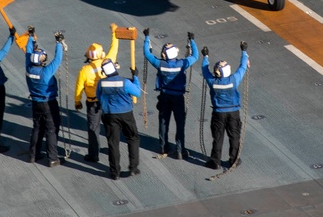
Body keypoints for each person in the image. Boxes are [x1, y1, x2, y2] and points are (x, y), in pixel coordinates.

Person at [142, 28, 198, 158]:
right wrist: (192, 41)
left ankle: (163, 147)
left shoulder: (160, 64)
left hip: (165, 96)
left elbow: (147, 53)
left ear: (164, 55)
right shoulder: (182, 63)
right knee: (180, 123)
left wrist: (146, 38)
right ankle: (179, 150)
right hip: (178, 98)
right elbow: (195, 56)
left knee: (163, 121)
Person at [73, 23, 119, 163]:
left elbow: (79, 87)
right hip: (108, 101)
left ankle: (94, 155)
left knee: (93, 129)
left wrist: (77, 101)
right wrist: (114, 32)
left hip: (93, 103)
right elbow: (114, 47)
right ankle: (113, 150)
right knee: (111, 127)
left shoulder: (84, 70)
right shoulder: (108, 61)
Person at [201, 41, 249, 170]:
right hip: (233, 112)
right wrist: (244, 51)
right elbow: (243, 67)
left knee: (218, 137)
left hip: (218, 113)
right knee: (234, 136)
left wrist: (205, 56)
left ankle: (215, 161)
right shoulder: (233, 80)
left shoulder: (212, 81)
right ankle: (234, 159)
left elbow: (205, 70)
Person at [25, 27, 65, 166]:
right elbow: (57, 59)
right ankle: (53, 158)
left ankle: (33, 155)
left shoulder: (29, 68)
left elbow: (28, 52)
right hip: (49, 103)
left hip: (36, 103)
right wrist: (59, 43)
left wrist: (30, 38)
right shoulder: (46, 72)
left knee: (37, 128)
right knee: (51, 129)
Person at [95, 58, 141, 180]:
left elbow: (98, 97)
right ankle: (133, 167)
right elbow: (137, 93)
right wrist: (135, 78)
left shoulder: (101, 83)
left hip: (109, 114)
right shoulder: (124, 82)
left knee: (113, 143)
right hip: (126, 113)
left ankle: (115, 172)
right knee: (132, 138)